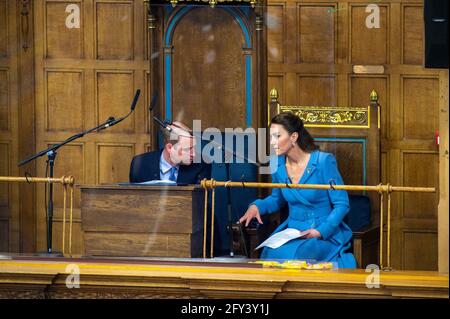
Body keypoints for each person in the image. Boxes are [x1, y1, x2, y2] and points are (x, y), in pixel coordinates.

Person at [239, 112, 356, 268]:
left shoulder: (323, 161)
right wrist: (257, 206)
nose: (272, 142)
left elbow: (342, 204)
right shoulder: (277, 164)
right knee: (270, 254)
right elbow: (277, 199)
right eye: (271, 137)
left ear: (293, 137)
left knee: (296, 257)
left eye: (277, 136)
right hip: (292, 232)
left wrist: (320, 231)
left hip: (322, 233)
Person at [129, 121, 211, 184]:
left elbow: (202, 203)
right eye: (187, 149)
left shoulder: (201, 165)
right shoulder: (140, 164)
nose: (193, 154)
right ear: (169, 148)